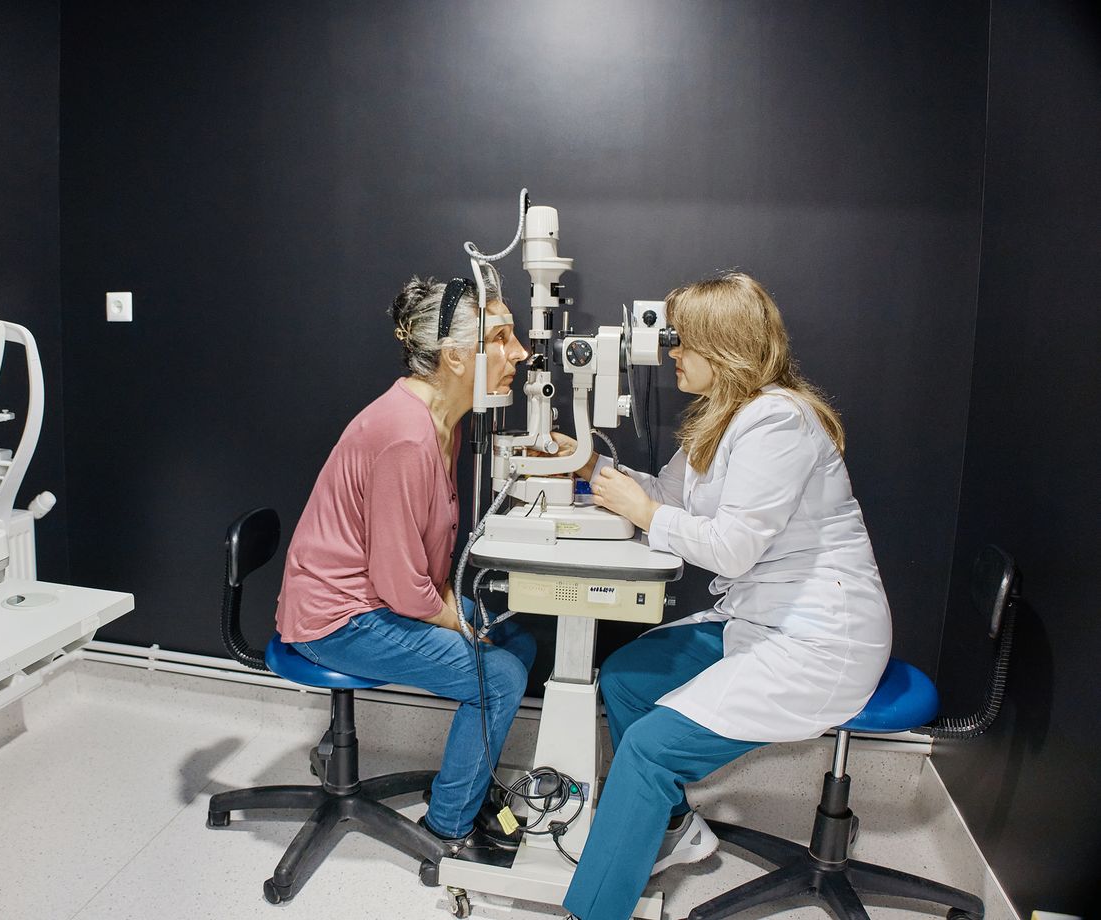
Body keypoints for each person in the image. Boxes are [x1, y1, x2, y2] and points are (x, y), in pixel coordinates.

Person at [558, 272, 893, 920]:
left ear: (724, 346)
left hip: (820, 639)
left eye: (684, 341)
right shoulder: (721, 417)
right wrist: (589, 465)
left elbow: (731, 547)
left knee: (650, 749)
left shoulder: (778, 421)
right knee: (627, 679)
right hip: (762, 617)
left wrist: (645, 514)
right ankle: (675, 828)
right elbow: (665, 494)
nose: (673, 352)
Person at [275, 271, 536, 860]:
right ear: (454, 357)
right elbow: (398, 585)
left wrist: (462, 617)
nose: (519, 353)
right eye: (501, 338)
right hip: (339, 618)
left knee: (515, 639)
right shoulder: (406, 437)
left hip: (385, 596)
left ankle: (469, 782)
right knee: (498, 678)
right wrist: (458, 622)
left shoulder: (442, 420)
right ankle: (448, 827)